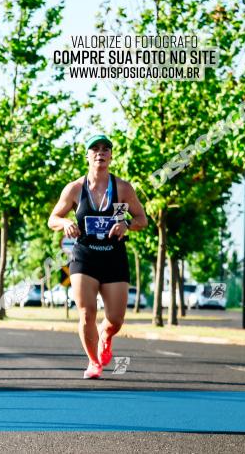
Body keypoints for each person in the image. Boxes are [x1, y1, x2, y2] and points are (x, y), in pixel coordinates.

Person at [48, 135, 148, 379]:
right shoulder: (74, 189)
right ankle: (93, 362)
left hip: (114, 257)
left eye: (105, 149)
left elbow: (142, 220)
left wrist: (126, 224)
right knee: (86, 313)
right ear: (87, 156)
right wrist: (65, 223)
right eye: (94, 149)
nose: (100, 153)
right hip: (85, 257)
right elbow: (52, 219)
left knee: (115, 319)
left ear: (111, 156)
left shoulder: (123, 188)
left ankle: (106, 335)